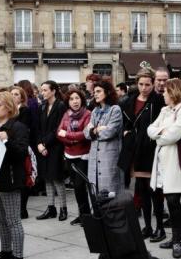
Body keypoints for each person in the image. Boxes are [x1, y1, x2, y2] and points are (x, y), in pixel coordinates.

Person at [148, 78, 181, 259]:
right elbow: (150, 129)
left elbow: (172, 136)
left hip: (176, 162)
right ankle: (178, 237)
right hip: (162, 161)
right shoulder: (165, 110)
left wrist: (160, 135)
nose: (163, 95)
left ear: (174, 92)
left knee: (174, 202)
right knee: (168, 199)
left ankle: (177, 240)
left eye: (166, 92)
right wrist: (161, 134)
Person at [119, 68, 165, 241]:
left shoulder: (158, 101)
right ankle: (147, 226)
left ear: (153, 84)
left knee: (154, 190)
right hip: (135, 151)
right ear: (136, 84)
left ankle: (160, 228)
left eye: (147, 84)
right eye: (141, 84)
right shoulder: (129, 101)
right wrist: (126, 132)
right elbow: (126, 123)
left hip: (152, 151)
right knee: (141, 189)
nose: (144, 88)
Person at [0, 91, 29, 259]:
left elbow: (21, 154)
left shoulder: (18, 127)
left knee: (13, 221)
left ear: (9, 107)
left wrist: (6, 141)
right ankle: (6, 252)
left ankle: (18, 258)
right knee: (2, 220)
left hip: (11, 179)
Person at [57, 88, 92, 226]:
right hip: (69, 154)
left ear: (82, 99)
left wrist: (68, 135)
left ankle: (87, 215)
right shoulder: (66, 114)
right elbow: (59, 133)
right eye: (71, 99)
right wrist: (71, 139)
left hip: (83, 155)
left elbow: (84, 134)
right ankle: (82, 214)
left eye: (77, 98)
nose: (75, 101)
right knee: (77, 188)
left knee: (80, 185)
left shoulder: (88, 114)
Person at [35, 81, 68, 221]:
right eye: (41, 90)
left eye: (45, 90)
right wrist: (39, 144)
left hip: (55, 147)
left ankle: (63, 209)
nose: (42, 93)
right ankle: (51, 208)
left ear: (53, 91)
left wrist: (44, 143)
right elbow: (38, 127)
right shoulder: (42, 106)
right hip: (43, 147)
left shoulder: (60, 106)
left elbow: (59, 128)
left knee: (57, 178)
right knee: (47, 178)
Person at [84, 80, 124, 196]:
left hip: (109, 156)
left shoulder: (115, 109)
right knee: (94, 190)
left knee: (110, 191)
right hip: (94, 157)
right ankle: (97, 214)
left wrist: (93, 131)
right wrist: (97, 129)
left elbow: (109, 133)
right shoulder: (95, 111)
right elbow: (86, 133)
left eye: (98, 91)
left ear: (107, 92)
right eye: (94, 92)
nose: (95, 94)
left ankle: (111, 213)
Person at [11, 86, 35, 219]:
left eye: (16, 94)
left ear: (21, 97)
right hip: (12, 147)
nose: (14, 96)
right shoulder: (10, 111)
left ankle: (22, 209)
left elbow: (23, 129)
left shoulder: (24, 110)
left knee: (24, 176)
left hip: (23, 147)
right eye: (12, 94)